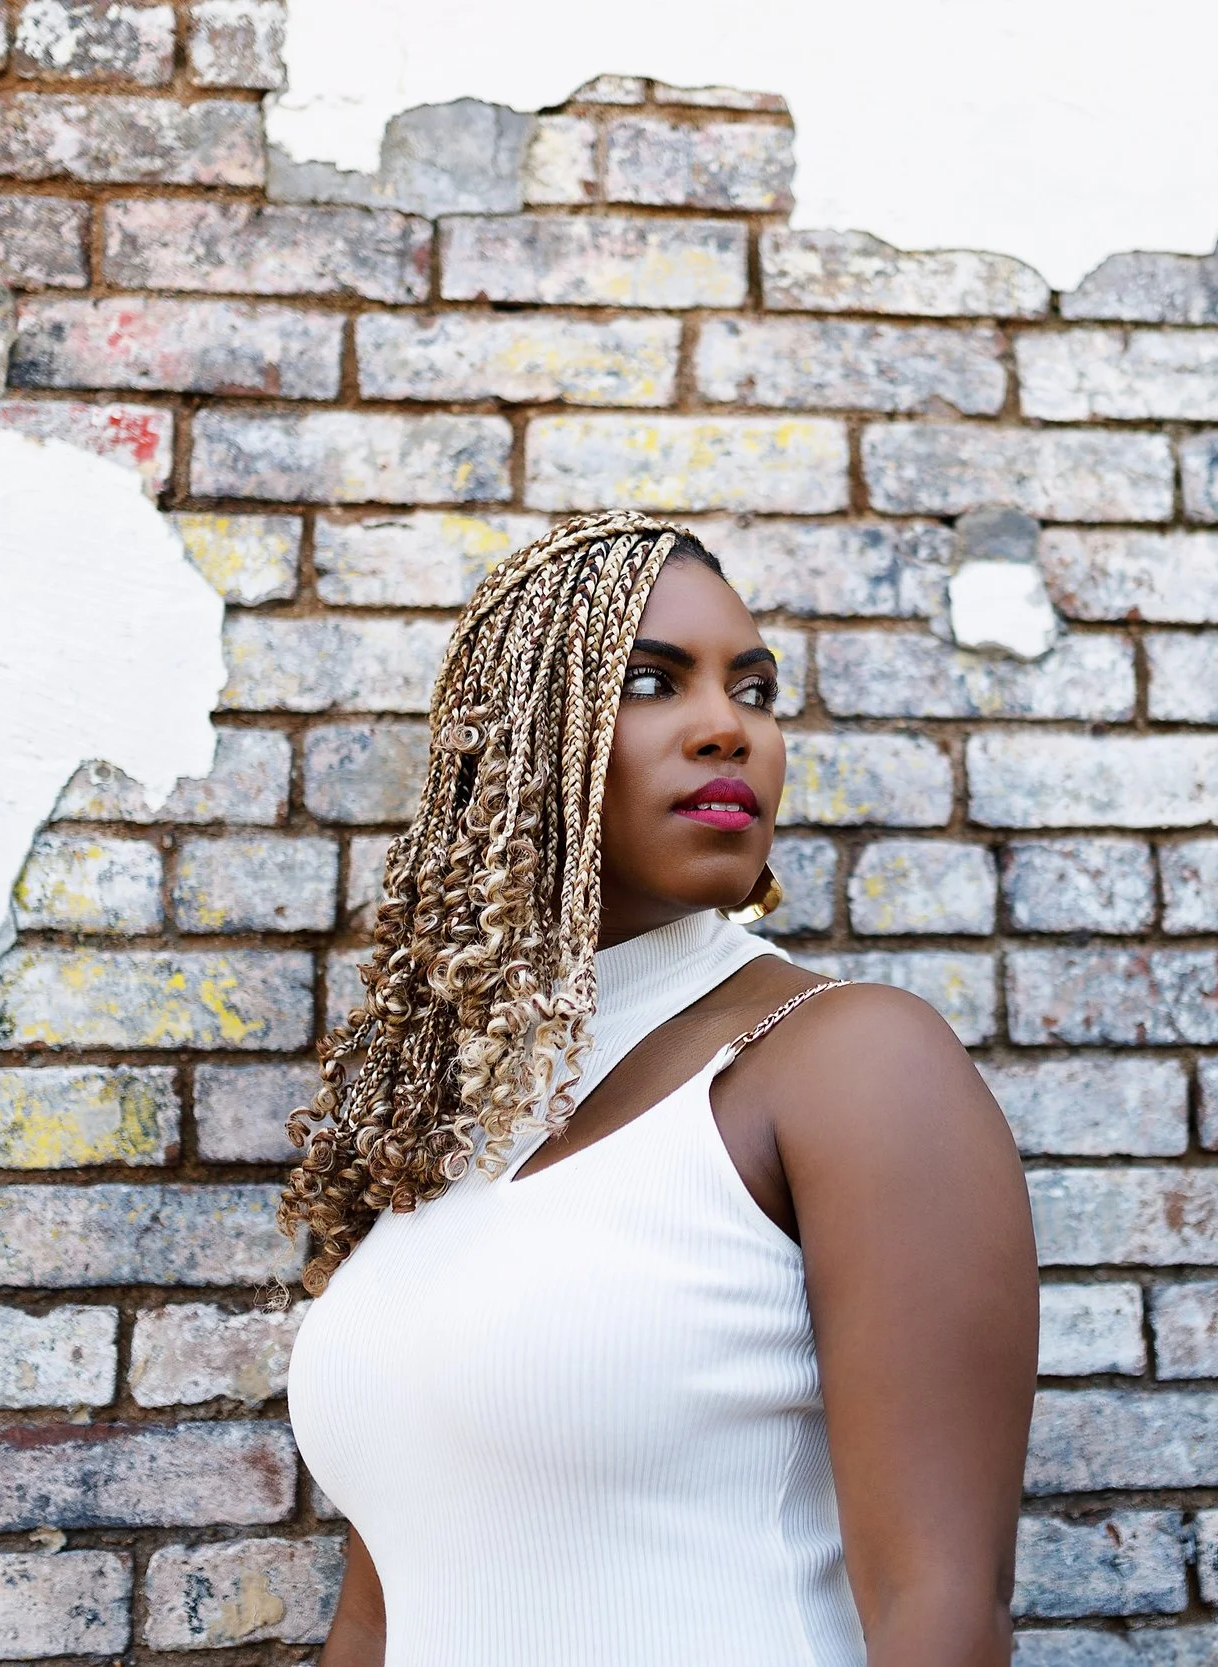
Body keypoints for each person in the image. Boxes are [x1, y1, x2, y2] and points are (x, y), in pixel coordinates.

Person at [283, 511, 1039, 1667]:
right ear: (526, 738)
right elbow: (379, 1619)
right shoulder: (449, 1126)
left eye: (755, 687)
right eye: (650, 680)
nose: (727, 727)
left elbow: (940, 1609)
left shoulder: (848, 1063)